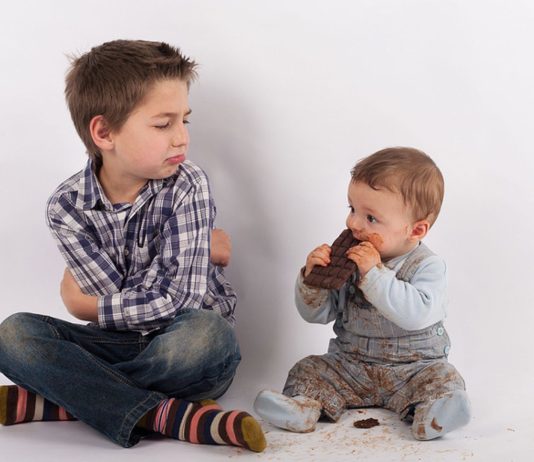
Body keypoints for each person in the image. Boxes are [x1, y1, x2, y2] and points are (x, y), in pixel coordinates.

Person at [0, 39, 266, 452]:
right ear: (104, 131)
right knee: (13, 334)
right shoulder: (66, 206)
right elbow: (120, 297)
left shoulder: (187, 183)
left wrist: (84, 307)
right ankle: (166, 415)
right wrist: (196, 250)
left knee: (206, 336)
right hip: (118, 342)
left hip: (184, 344)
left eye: (185, 121)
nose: (181, 138)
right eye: (163, 125)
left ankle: (67, 398)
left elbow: (181, 302)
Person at [254, 147, 471, 440]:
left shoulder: (428, 267)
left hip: (414, 369)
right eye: (352, 209)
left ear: (416, 230)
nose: (353, 224)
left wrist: (373, 275)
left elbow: (415, 315)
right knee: (307, 369)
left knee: (445, 379)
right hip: (351, 365)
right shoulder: (351, 261)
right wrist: (312, 282)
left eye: (371, 218)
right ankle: (302, 408)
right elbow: (318, 315)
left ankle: (432, 416)